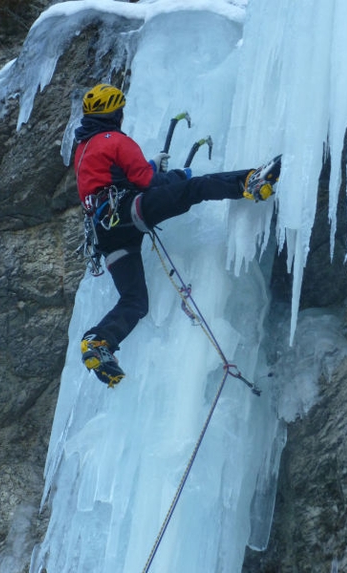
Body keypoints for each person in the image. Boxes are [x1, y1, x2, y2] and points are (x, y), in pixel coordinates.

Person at [74, 83, 281, 386]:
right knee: (193, 188)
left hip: (107, 235)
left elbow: (113, 179)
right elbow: (147, 183)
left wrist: (149, 166)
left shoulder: (84, 148)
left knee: (134, 301)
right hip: (130, 212)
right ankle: (248, 182)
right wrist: (177, 175)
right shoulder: (117, 141)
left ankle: (99, 341)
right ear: (117, 114)